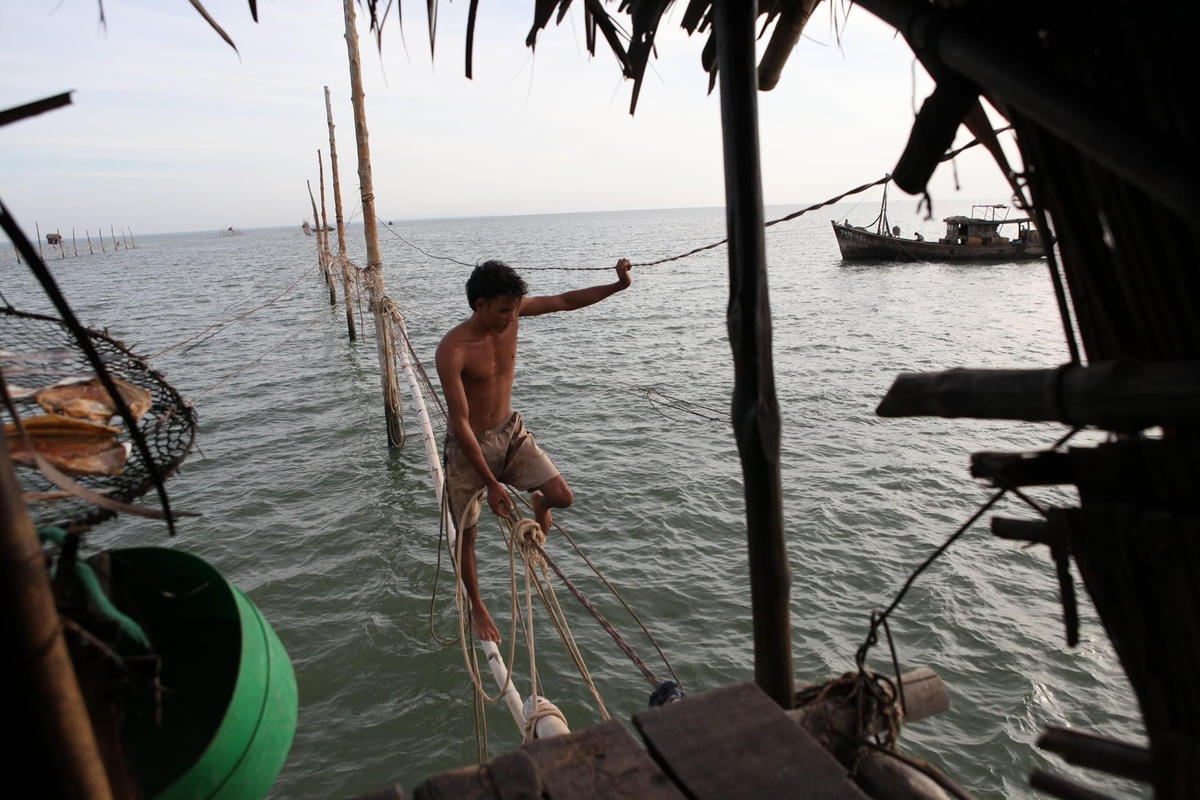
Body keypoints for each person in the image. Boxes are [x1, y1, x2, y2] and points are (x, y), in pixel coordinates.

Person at [435, 258, 632, 641]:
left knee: (563, 497)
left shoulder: (514, 312)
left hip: (511, 432)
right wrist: (492, 484)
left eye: (516, 308)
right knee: (467, 535)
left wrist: (617, 286)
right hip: (469, 448)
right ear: (480, 305)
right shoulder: (453, 350)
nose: (513, 317)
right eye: (505, 310)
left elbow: (565, 300)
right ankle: (478, 607)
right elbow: (459, 423)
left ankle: (538, 501)